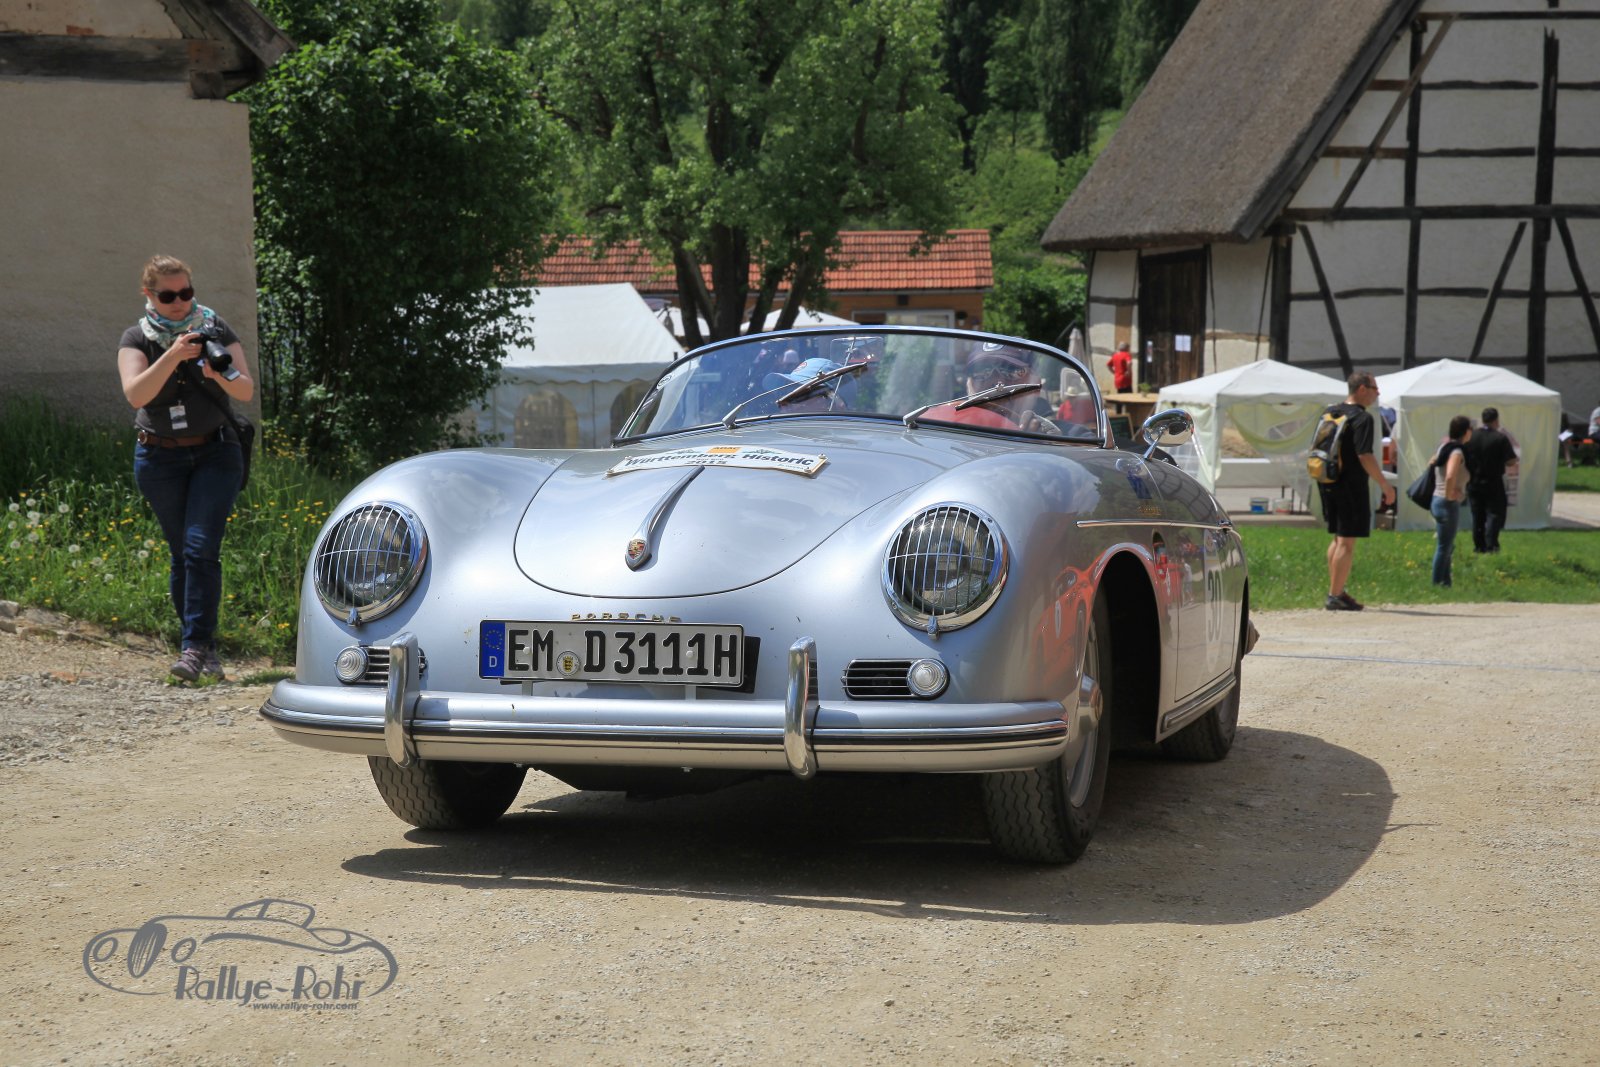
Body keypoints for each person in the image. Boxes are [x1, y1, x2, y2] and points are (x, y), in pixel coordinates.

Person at [116, 255, 253, 681]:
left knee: (200, 548)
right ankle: (202, 648)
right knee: (182, 555)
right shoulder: (136, 338)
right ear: (149, 295)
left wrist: (219, 373)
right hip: (159, 457)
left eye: (186, 293)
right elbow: (136, 394)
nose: (178, 302)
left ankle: (194, 648)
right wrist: (173, 355)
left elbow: (245, 390)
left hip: (216, 452)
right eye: (168, 295)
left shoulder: (214, 328)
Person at [1319, 371, 1395, 611]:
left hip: (1328, 481)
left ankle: (1336, 590)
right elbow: (1364, 455)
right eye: (1374, 388)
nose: (1377, 393)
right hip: (1350, 486)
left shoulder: (1330, 412)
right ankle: (1335, 595)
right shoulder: (1362, 418)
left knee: (1338, 538)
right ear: (1362, 389)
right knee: (1347, 542)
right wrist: (1384, 484)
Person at [929, 344, 1059, 434]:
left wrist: (1050, 442)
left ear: (1036, 384)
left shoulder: (1058, 432)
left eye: (1011, 370)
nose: (997, 383)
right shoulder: (943, 425)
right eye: (981, 371)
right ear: (968, 384)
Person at [1463, 406, 1518, 553]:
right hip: (1493, 481)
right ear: (1496, 420)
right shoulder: (1500, 438)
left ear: (1483, 419)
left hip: (1474, 481)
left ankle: (1478, 545)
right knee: (1494, 513)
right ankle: (1491, 544)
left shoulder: (1471, 437)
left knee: (1477, 515)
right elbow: (1511, 460)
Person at [1429, 415, 1472, 587]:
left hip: (1437, 500)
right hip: (1446, 503)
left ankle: (1445, 583)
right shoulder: (1457, 452)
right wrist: (1449, 494)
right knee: (1444, 547)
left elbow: (1432, 463)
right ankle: (1437, 583)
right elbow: (1450, 475)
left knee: (1447, 545)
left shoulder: (1444, 447)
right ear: (1466, 432)